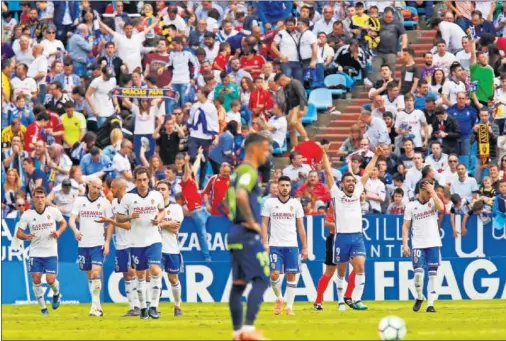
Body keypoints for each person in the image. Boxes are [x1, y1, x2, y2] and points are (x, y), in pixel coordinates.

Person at [321, 141, 381, 311]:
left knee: (360, 265)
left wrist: (376, 155)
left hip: (356, 236)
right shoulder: (336, 194)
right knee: (341, 271)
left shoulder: (357, 192)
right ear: (342, 184)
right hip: (340, 238)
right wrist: (324, 154)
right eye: (347, 181)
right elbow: (328, 173)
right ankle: (341, 300)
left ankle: (357, 299)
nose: (350, 183)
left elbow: (368, 172)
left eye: (352, 181)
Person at [224, 133, 271, 341]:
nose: (268, 154)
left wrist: (236, 217)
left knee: (239, 283)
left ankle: (236, 333)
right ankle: (249, 331)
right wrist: (252, 222)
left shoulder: (236, 174)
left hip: (234, 232)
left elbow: (228, 199)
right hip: (246, 234)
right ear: (256, 148)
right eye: (267, 149)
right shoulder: (248, 171)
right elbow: (241, 194)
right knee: (262, 279)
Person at [115, 166, 165, 320]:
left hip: (153, 239)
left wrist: (159, 218)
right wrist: (130, 216)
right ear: (135, 181)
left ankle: (154, 306)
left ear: (149, 179)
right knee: (140, 275)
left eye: (145, 180)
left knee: (156, 270)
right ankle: (143, 307)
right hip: (136, 242)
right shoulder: (128, 198)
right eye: (139, 180)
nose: (142, 183)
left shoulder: (156, 195)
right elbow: (118, 218)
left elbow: (162, 210)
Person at [16, 187, 67, 315]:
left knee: (50, 280)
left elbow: (63, 223)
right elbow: (18, 233)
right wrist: (26, 236)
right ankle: (43, 309)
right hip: (35, 252)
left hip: (50, 252)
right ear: (33, 199)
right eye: (37, 197)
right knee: (36, 279)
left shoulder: (53, 211)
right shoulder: (27, 214)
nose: (40, 200)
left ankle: (56, 293)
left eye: (42, 197)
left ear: (45, 198)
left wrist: (59, 232)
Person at [261, 176, 307, 316]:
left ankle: (289, 307)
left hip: (292, 245)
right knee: (274, 274)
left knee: (291, 275)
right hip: (275, 245)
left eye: (287, 185)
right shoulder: (269, 203)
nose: (285, 188)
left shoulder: (296, 204)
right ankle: (279, 298)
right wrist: (265, 242)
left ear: (290, 187)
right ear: (278, 187)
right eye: (282, 185)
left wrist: (304, 247)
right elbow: (264, 223)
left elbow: (300, 226)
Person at [68, 178, 114, 317]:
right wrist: (75, 231)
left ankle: (94, 307)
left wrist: (107, 242)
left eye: (99, 188)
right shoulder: (79, 201)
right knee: (89, 275)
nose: (96, 190)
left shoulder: (105, 203)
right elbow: (71, 219)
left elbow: (111, 223)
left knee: (96, 272)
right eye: (94, 187)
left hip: (98, 243)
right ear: (89, 186)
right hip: (83, 244)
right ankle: (97, 305)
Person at [402, 180, 445, 313]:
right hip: (418, 244)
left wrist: (432, 192)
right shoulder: (411, 206)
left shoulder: (433, 201)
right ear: (420, 190)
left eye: (430, 192)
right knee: (418, 274)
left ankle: (430, 304)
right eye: (427, 192)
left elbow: (441, 208)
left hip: (433, 243)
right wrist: (405, 244)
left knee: (432, 274)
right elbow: (405, 226)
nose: (429, 194)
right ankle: (420, 296)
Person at [156, 180, 184, 317]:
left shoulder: (176, 208)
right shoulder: (151, 207)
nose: (160, 191)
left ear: (169, 191)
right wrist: (167, 223)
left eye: (163, 189)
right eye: (158, 189)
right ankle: (154, 307)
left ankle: (177, 305)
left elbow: (175, 228)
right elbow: (151, 224)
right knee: (155, 276)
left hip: (172, 248)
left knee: (173, 278)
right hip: (155, 247)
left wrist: (159, 223)